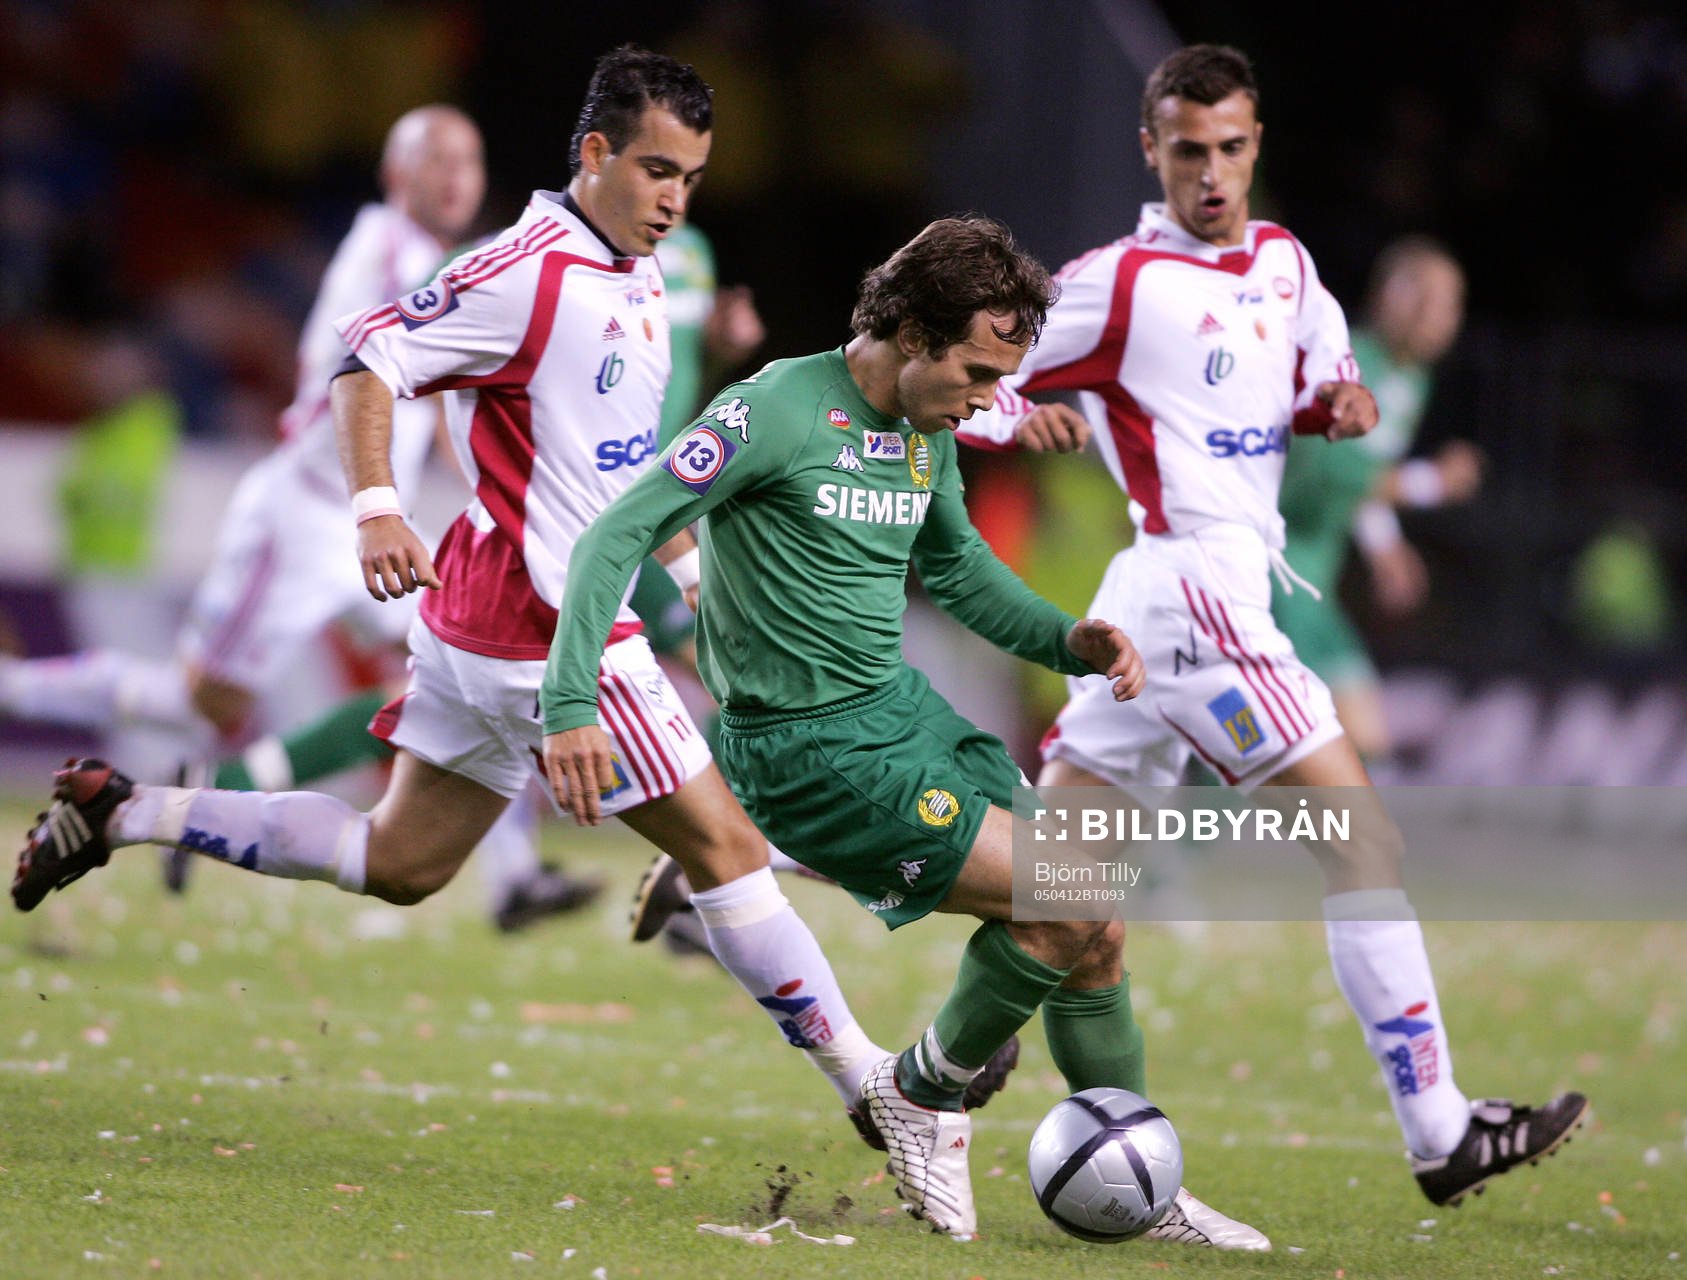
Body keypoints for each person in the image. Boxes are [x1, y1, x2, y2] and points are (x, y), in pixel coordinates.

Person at [14, 46, 899, 1150]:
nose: (673, 198)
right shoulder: (528, 266)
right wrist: (379, 504)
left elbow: (619, 469)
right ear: (593, 153)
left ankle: (127, 810)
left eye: (692, 177)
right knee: (722, 844)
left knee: (400, 860)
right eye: (656, 170)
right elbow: (366, 357)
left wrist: (690, 575)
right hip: (548, 628)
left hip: (488, 614)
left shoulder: (629, 269)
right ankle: (880, 1085)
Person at [541, 214, 1268, 1248]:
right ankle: (920, 1094)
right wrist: (570, 704)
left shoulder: (930, 432)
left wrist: (1070, 640)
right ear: (912, 331)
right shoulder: (773, 410)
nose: (987, 399)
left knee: (1096, 931)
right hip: (805, 749)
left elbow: (960, 568)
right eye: (976, 370)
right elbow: (616, 530)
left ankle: (1142, 1177)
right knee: (1074, 898)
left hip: (904, 716)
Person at [954, 44, 1587, 1209]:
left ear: (1255, 147)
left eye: (1230, 148)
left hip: (1157, 602)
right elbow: (975, 363)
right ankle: (1440, 1131)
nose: (1210, 171)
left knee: (1061, 883)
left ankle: (929, 1054)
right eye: (1186, 149)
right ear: (1151, 149)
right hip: (1193, 590)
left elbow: (1311, 375)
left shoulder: (1283, 266)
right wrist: (1010, 421)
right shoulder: (1118, 278)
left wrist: (1336, 402)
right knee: (1364, 845)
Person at [1272, 236, 1480, 764]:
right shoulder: (1347, 366)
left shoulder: (1411, 378)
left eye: (1454, 304)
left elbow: (1363, 478)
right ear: (1393, 296)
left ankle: (1175, 840)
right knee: (1344, 734)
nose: (1445, 317)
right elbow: (1335, 471)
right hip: (1274, 568)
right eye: (1433, 300)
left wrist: (1384, 546)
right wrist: (1433, 481)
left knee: (1276, 732)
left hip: (1312, 576)